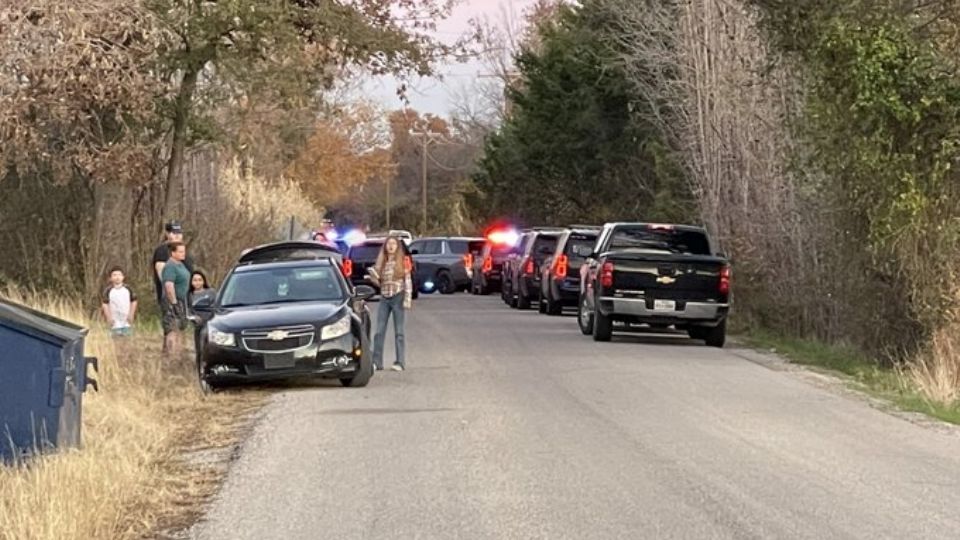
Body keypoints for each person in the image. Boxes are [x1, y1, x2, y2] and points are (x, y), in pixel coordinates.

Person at [369, 235, 413, 372]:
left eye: (394, 243)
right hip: (384, 297)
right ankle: (377, 362)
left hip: (398, 296)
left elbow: (407, 280)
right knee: (379, 331)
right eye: (389, 244)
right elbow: (378, 283)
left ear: (397, 246)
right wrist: (374, 277)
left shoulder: (403, 261)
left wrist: (407, 298)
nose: (391, 246)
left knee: (399, 331)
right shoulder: (382, 262)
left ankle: (400, 362)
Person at [152, 221, 195, 309]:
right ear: (167, 234)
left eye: (179, 233)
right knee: (173, 321)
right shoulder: (163, 250)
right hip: (171, 299)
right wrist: (173, 301)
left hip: (186, 298)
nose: (177, 235)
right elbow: (164, 278)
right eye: (173, 233)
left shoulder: (185, 253)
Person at [161, 242, 192, 358]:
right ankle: (171, 355)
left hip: (182, 299)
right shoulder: (170, 266)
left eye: (184, 251)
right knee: (172, 328)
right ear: (173, 253)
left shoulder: (180, 265)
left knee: (180, 327)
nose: (183, 254)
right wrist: (174, 302)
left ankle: (179, 354)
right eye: (180, 251)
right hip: (173, 300)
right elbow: (169, 285)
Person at [100, 266, 138, 338]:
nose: (117, 277)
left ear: (123, 277)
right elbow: (105, 304)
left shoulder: (128, 289)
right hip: (114, 321)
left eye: (119, 275)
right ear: (110, 278)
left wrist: (131, 314)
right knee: (115, 340)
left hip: (126, 320)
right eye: (114, 275)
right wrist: (109, 317)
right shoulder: (108, 290)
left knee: (127, 339)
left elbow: (134, 301)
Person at [187, 269, 215, 356]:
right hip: (198, 325)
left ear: (203, 281)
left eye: (200, 280)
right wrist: (193, 317)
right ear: (191, 282)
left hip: (210, 323)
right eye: (195, 280)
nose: (197, 282)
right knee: (199, 349)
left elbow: (216, 306)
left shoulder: (211, 292)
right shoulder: (189, 295)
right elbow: (188, 311)